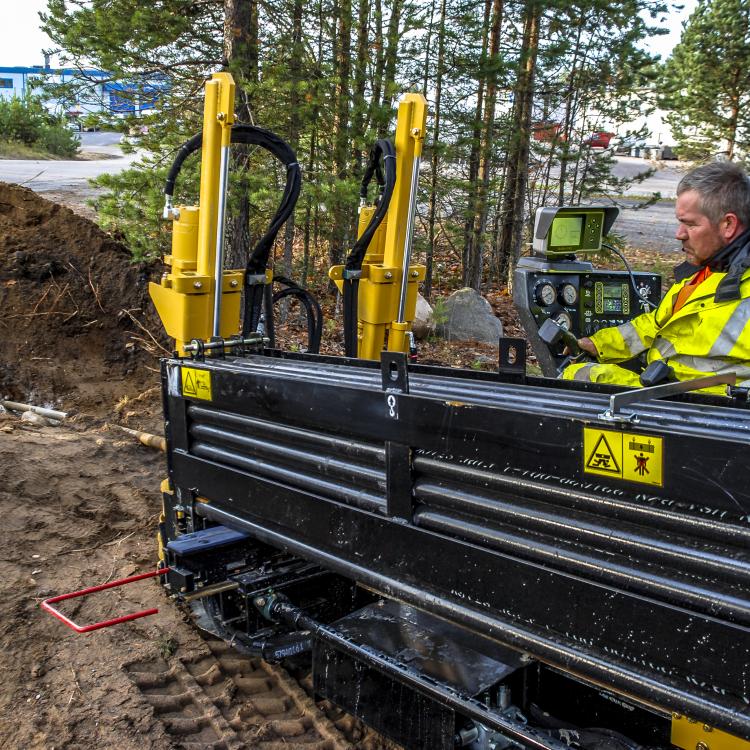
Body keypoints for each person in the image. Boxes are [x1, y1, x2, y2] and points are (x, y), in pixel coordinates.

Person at [562, 162, 750, 394]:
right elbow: (656, 325)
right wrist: (600, 344)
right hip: (668, 392)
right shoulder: (705, 272)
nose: (679, 234)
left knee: (576, 376)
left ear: (728, 225)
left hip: (704, 414)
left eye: (690, 224)